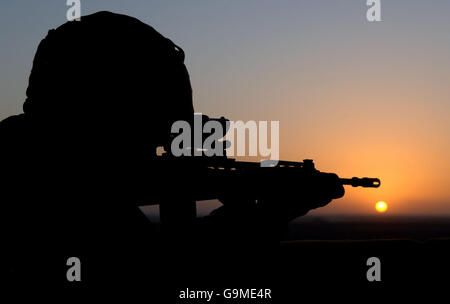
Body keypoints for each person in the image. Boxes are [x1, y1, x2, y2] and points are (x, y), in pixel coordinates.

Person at [0, 11, 344, 287]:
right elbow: (167, 279)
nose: (157, 147)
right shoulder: (58, 182)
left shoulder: (31, 153)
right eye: (155, 132)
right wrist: (268, 216)